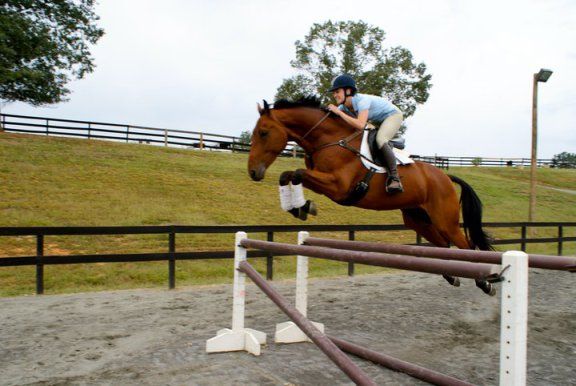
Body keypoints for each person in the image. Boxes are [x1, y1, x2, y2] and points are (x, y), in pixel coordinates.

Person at [327, 74, 404, 194]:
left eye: (337, 91)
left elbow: (360, 125)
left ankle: (395, 178)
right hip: (377, 121)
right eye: (334, 92)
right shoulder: (343, 107)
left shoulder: (362, 101)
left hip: (393, 116)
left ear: (348, 91)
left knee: (380, 139)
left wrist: (339, 113)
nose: (335, 95)